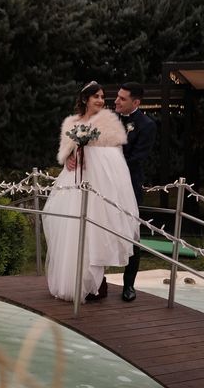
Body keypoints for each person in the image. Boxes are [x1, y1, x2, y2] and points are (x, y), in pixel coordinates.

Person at [42, 81, 139, 302]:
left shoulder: (109, 122)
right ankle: (71, 281)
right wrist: (69, 156)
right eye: (96, 96)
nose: (100, 101)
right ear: (85, 99)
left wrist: (92, 146)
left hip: (98, 185)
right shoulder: (72, 122)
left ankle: (92, 282)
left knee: (94, 232)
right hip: (75, 183)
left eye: (102, 97)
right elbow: (63, 151)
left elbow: (116, 154)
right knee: (73, 229)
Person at [114, 82, 157, 301]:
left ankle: (128, 285)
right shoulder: (108, 119)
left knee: (132, 234)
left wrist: (110, 167)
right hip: (103, 186)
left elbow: (136, 159)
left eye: (122, 99)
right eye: (117, 97)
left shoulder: (146, 125)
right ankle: (94, 283)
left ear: (136, 102)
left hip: (129, 186)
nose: (116, 101)